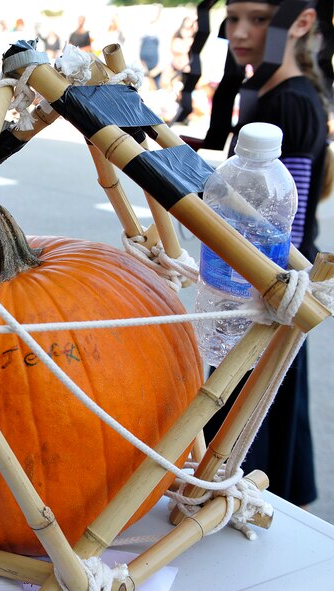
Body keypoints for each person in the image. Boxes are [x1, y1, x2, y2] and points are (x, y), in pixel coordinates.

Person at [202, 0, 331, 508]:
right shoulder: (272, 91)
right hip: (253, 284)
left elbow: (280, 234)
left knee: (253, 414)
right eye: (232, 18)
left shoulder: (288, 101)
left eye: (258, 19)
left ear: (299, 22)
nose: (239, 32)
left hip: (263, 288)